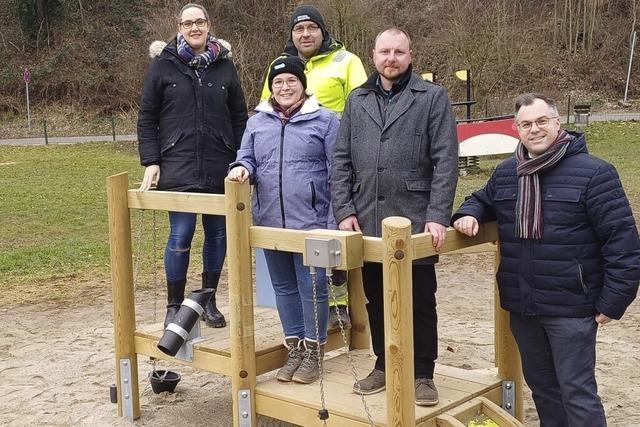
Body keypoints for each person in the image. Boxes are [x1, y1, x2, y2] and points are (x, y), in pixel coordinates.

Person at [452, 93, 640, 426]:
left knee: (577, 392)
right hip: (525, 307)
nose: (534, 129)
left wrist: (613, 301)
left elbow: (622, 243)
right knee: (543, 390)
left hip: (572, 307)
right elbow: (481, 199)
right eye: (526, 124)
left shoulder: (595, 174)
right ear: (517, 129)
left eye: (542, 121)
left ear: (557, 122)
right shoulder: (509, 172)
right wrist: (468, 213)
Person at [330, 28, 458, 406]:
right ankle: (384, 364)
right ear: (373, 56)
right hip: (367, 217)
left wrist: (437, 215)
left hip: (415, 217)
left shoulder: (432, 98)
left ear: (410, 54)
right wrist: (344, 210)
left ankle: (422, 373)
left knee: (420, 299)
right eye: (385, 52)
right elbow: (341, 160)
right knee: (375, 298)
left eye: (398, 52)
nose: (391, 58)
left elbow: (446, 161)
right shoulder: (357, 100)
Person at [228, 56, 340, 384]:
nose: (285, 87)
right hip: (269, 222)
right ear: (270, 87)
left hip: (312, 222)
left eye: (291, 81)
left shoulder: (326, 121)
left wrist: (334, 222)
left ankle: (314, 350)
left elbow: (338, 172)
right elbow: (245, 156)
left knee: (313, 287)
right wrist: (241, 168)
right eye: (278, 82)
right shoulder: (256, 123)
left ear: (303, 85)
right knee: (282, 287)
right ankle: (294, 348)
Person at [137, 3, 248, 329]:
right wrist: (152, 161)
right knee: (181, 235)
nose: (194, 27)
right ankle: (175, 305)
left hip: (220, 166)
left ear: (209, 25)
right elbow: (147, 117)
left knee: (217, 236)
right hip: (178, 165)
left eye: (199, 21)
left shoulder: (225, 66)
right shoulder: (163, 65)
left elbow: (240, 117)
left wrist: (242, 159)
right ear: (180, 27)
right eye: (188, 23)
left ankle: (207, 300)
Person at [259, 5, 368, 330]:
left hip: (337, 153)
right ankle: (310, 318)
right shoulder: (280, 67)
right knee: (303, 240)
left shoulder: (346, 61)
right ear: (291, 35)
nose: (305, 34)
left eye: (311, 28)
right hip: (295, 161)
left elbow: (361, 104)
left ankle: (340, 306)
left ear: (323, 31)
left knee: (335, 227)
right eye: (298, 29)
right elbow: (266, 107)